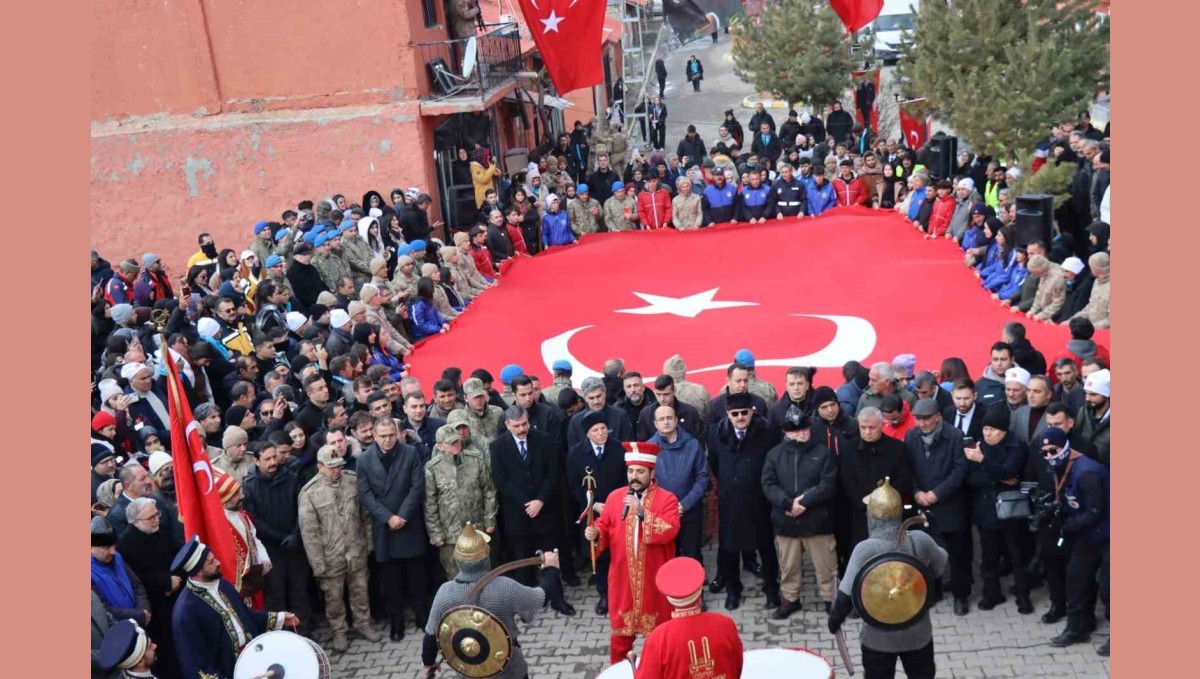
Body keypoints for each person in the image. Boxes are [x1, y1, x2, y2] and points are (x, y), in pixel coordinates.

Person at [828, 479, 948, 679]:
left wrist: (835, 620)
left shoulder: (865, 550)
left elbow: (845, 596)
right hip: (917, 630)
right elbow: (940, 566)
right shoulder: (921, 540)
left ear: (872, 516)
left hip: (878, 637)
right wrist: (934, 530)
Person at [419, 525, 571, 679]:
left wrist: (428, 663)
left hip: (470, 673)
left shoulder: (445, 592)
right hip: (509, 672)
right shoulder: (504, 586)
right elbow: (541, 598)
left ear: (458, 560)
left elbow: (431, 636)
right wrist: (551, 569)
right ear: (486, 557)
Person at [584, 442, 681, 664]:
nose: (634, 476)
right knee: (620, 639)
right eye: (630, 471)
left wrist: (642, 513)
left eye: (640, 472)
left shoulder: (667, 499)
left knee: (658, 638)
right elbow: (605, 525)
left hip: (654, 581)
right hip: (623, 578)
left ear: (652, 473)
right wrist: (595, 533)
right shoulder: (615, 497)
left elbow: (670, 529)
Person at [170, 537, 297, 678]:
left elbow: (246, 617)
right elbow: (195, 664)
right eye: (211, 562)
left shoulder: (222, 584)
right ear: (198, 572)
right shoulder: (185, 612)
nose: (218, 563)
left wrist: (280, 617)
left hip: (255, 656)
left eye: (214, 558)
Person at [298, 446, 381, 652]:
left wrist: (369, 543)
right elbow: (309, 533)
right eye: (332, 467)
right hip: (330, 554)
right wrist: (317, 563)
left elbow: (365, 516)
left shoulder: (352, 481)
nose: (337, 470)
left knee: (360, 590)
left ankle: (363, 623)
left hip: (356, 549)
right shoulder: (310, 493)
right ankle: (339, 630)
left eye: (340, 466)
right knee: (333, 597)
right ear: (320, 467)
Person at [1032, 428, 1109, 647]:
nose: (1049, 456)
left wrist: (1067, 525)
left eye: (1052, 450)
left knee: (1108, 587)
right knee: (1076, 579)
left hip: (1107, 534)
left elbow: (1095, 511)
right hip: (1088, 535)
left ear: (1065, 447)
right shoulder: (1062, 466)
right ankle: (1078, 628)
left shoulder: (1086, 472)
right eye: (1044, 452)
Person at [357, 416, 430, 640]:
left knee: (417, 576)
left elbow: (417, 487)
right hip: (384, 528)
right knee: (391, 582)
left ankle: (422, 617)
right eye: (383, 436)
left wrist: (402, 515)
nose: (388, 440)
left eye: (391, 435)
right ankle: (396, 623)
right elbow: (365, 494)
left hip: (409, 524)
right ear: (375, 436)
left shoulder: (409, 453)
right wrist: (388, 518)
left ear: (397, 434)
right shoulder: (364, 459)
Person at [708, 392, 782, 611]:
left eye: (744, 413)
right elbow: (714, 462)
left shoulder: (767, 432)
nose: (740, 417)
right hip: (730, 500)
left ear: (752, 411)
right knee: (729, 548)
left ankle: (771, 589)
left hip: (760, 499)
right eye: (735, 414)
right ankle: (733, 590)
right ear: (728, 414)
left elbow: (773, 463)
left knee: (766, 547)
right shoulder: (716, 434)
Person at [761, 408, 838, 619]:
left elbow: (828, 483)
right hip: (786, 522)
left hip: (817, 522)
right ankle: (791, 599)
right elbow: (768, 484)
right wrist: (788, 504)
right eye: (796, 431)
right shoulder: (774, 455)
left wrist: (803, 502)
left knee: (826, 566)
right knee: (788, 567)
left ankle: (831, 599)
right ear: (786, 433)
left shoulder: (823, 452)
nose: (802, 434)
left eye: (805, 429)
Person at [490, 405, 569, 590]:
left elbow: (553, 473)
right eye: (516, 426)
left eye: (524, 424)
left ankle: (556, 596)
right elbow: (501, 480)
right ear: (507, 425)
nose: (522, 429)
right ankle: (526, 600)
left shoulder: (544, 440)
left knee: (550, 557)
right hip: (517, 513)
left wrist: (540, 500)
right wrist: (525, 503)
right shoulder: (497, 446)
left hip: (545, 509)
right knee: (523, 559)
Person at [903, 399, 970, 614]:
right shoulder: (911, 436)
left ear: (938, 416)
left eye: (926, 418)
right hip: (922, 506)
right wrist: (916, 493)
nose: (922, 423)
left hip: (950, 506)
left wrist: (936, 494)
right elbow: (907, 468)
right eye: (918, 419)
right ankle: (934, 590)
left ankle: (961, 595)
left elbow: (959, 471)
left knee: (958, 555)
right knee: (926, 552)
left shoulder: (955, 436)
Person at [965, 407, 1033, 614]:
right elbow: (971, 478)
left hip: (1012, 511)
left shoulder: (1015, 446)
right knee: (989, 558)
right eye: (986, 428)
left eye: (993, 430)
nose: (987, 433)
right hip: (986, 511)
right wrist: (998, 477)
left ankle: (1023, 596)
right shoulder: (977, 446)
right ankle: (991, 594)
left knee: (1017, 556)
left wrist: (983, 462)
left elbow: (1011, 470)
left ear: (1004, 431)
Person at [629, 557, 744, 679]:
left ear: (668, 598)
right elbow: (736, 667)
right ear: (700, 593)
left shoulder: (658, 638)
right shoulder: (725, 624)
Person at [241, 440, 313, 630]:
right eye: (267, 459)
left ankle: (303, 630)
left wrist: (296, 534)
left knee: (299, 591)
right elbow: (254, 520)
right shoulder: (250, 486)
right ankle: (283, 633)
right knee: (276, 594)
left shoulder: (290, 477)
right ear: (256, 461)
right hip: (271, 550)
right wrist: (281, 537)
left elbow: (302, 508)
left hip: (295, 544)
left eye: (274, 457)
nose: (273, 462)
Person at [566, 410, 627, 615]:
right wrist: (592, 504)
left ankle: (623, 594)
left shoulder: (619, 449)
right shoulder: (576, 453)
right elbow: (574, 485)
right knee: (599, 554)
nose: (601, 433)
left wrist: (615, 504)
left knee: (620, 554)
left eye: (603, 429)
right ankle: (605, 595)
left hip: (618, 512)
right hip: (593, 512)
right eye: (596, 430)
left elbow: (627, 481)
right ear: (587, 433)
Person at [116, 497, 182, 679]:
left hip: (174, 597)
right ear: (135, 522)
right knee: (165, 651)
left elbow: (175, 556)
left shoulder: (160, 531)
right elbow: (137, 579)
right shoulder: (125, 545)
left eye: (157, 514)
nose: (156, 520)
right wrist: (165, 583)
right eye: (150, 517)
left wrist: (175, 579)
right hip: (154, 607)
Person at [424, 424, 498, 579]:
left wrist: (489, 520)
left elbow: (489, 491)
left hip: (476, 529)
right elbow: (429, 504)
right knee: (455, 577)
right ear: (440, 446)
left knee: (482, 574)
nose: (455, 445)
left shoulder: (475, 459)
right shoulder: (432, 469)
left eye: (457, 441)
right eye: (450, 443)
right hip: (450, 534)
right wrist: (436, 533)